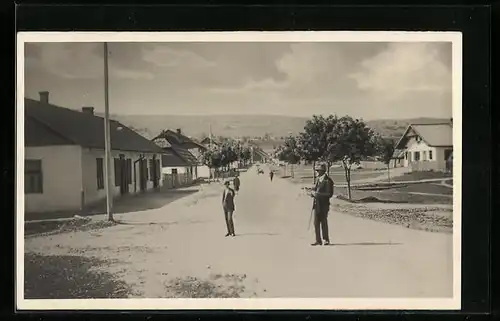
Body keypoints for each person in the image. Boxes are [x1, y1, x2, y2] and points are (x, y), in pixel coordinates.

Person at [309, 163, 334, 246]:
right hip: (317, 204)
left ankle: (326, 239)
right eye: (317, 170)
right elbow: (316, 190)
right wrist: (312, 193)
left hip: (324, 205)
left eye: (318, 171)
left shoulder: (328, 181)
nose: (317, 172)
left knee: (323, 222)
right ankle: (318, 240)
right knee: (316, 223)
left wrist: (317, 194)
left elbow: (329, 194)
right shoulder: (318, 180)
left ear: (323, 171)